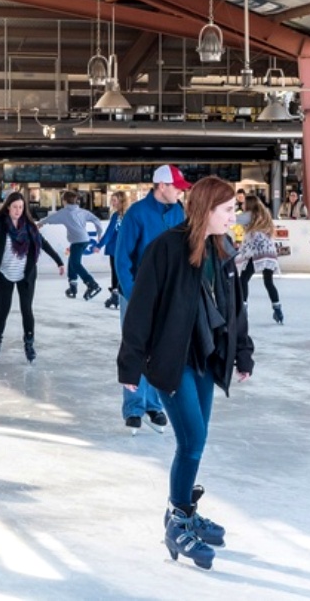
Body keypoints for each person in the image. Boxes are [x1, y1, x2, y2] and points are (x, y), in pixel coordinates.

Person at [117, 176, 254, 570]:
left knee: (198, 439)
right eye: (227, 210)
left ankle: (183, 511)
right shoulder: (166, 249)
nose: (233, 216)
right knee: (192, 441)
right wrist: (130, 362)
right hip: (170, 360)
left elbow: (235, 308)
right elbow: (140, 307)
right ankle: (178, 520)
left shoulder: (223, 248)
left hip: (206, 358)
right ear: (206, 210)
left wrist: (242, 353)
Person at [114, 164, 191, 433]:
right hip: (136, 293)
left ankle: (153, 404)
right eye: (177, 187)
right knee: (135, 345)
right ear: (161, 186)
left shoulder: (179, 212)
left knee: (160, 347)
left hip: (167, 292)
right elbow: (122, 258)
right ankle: (134, 407)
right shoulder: (137, 214)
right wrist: (132, 293)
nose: (180, 191)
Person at [0, 192, 64, 363]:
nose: (18, 210)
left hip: (26, 275)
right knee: (3, 310)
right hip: (4, 273)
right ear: (8, 207)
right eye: (14, 207)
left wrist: (58, 261)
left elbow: (42, 243)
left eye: (21, 207)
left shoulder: (29, 226)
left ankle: (29, 343)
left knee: (26, 310)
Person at [40, 190, 104, 300]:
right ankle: (72, 287)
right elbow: (96, 220)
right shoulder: (82, 211)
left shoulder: (65, 212)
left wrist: (40, 223)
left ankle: (92, 284)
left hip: (78, 241)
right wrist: (99, 233)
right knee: (72, 262)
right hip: (84, 240)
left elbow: (51, 218)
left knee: (75, 264)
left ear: (64, 201)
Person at [235, 195, 283, 324]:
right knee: (268, 281)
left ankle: (243, 308)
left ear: (249, 204)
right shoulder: (265, 214)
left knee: (243, 279)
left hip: (257, 251)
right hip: (269, 250)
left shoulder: (249, 215)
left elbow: (231, 220)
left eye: (244, 203)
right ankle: (278, 309)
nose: (242, 205)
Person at [96, 191, 128, 310]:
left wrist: (99, 245)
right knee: (121, 272)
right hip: (125, 249)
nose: (112, 203)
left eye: (114, 200)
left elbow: (109, 233)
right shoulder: (129, 214)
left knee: (115, 272)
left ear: (121, 201)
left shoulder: (116, 216)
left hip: (115, 249)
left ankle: (115, 295)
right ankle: (119, 294)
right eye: (112, 200)